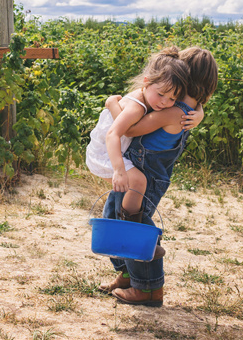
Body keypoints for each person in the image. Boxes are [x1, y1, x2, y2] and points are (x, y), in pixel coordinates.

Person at [98, 46, 218, 307]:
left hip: (148, 174)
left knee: (135, 225)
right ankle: (129, 275)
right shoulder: (188, 107)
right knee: (114, 216)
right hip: (144, 169)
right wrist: (201, 113)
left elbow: (129, 130)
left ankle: (149, 288)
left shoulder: (172, 111)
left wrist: (112, 104)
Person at [85, 47, 190, 236]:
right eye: (161, 94)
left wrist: (198, 114)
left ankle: (126, 227)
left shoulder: (149, 98)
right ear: (146, 83)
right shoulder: (137, 106)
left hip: (113, 149)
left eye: (172, 98)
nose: (164, 102)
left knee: (133, 185)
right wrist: (118, 171)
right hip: (104, 152)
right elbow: (113, 134)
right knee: (138, 182)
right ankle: (129, 230)